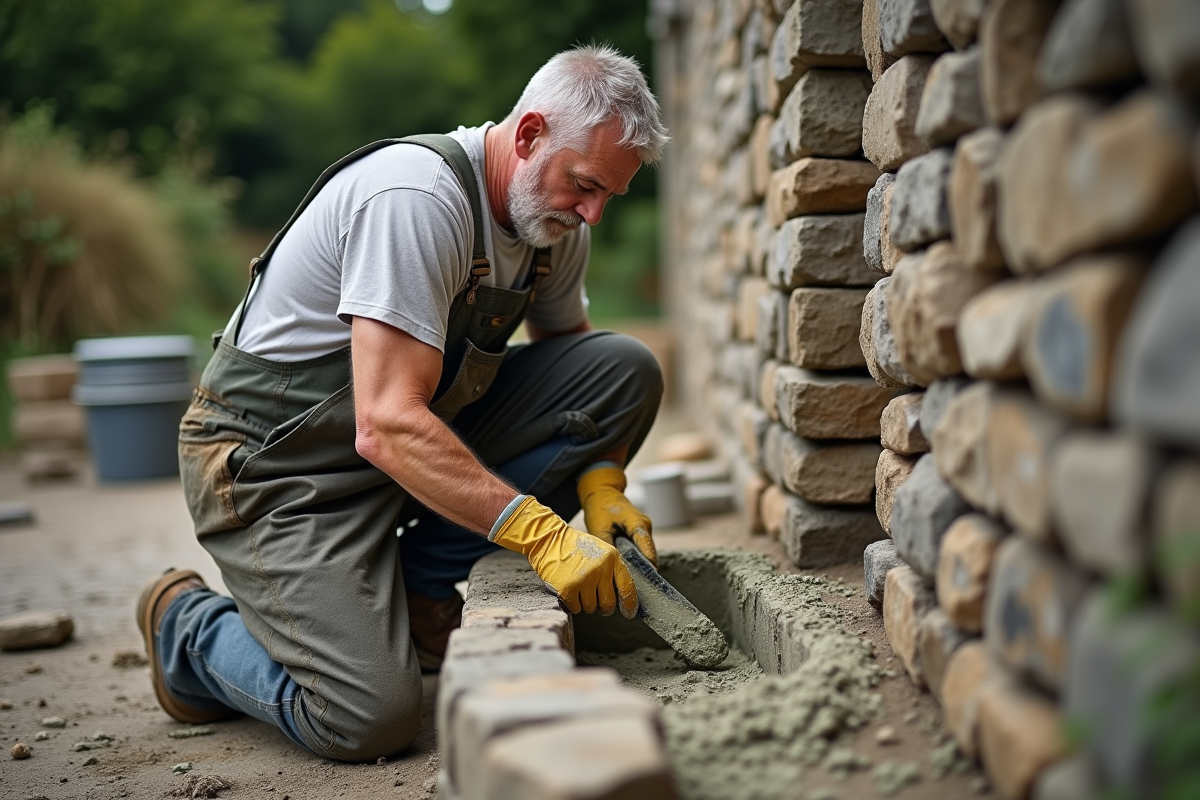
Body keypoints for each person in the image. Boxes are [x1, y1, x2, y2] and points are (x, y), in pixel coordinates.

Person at [135, 44, 670, 762]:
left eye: (610, 195)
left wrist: (602, 479)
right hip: (280, 472)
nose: (594, 213)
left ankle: (418, 590)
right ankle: (187, 629)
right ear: (528, 134)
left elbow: (579, 367)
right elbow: (386, 424)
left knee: (624, 369)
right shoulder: (416, 200)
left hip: (399, 450)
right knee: (367, 717)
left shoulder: (551, 221)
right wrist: (542, 535)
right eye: (585, 185)